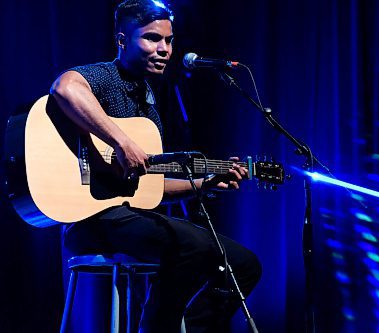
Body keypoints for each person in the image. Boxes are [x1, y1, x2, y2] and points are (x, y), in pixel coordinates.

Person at [50, 0, 262, 332]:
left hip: (130, 215)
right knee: (188, 243)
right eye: (151, 38)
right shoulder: (106, 76)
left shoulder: (147, 103)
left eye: (169, 40)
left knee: (244, 264)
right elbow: (65, 88)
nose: (164, 49)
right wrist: (121, 141)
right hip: (91, 219)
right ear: (122, 40)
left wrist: (205, 182)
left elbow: (152, 187)